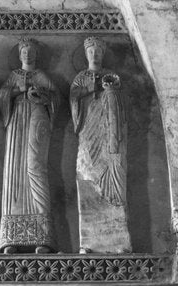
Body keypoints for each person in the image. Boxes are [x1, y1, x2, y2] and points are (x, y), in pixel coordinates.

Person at [70, 37, 131, 253]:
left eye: (98, 51)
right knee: (87, 173)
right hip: (88, 133)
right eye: (91, 51)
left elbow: (122, 110)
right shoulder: (80, 78)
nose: (94, 55)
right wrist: (87, 88)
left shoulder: (111, 77)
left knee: (115, 169)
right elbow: (74, 101)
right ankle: (89, 243)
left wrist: (111, 91)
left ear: (103, 54)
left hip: (109, 133)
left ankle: (119, 242)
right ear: (86, 54)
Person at [0, 38, 59, 254]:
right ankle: (11, 239)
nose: (27, 55)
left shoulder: (42, 76)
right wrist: (16, 91)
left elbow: (55, 98)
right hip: (16, 124)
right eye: (24, 51)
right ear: (19, 55)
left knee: (35, 167)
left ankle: (42, 237)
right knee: (14, 171)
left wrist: (41, 96)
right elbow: (2, 95)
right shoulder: (13, 76)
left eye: (31, 51)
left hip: (36, 118)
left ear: (36, 54)